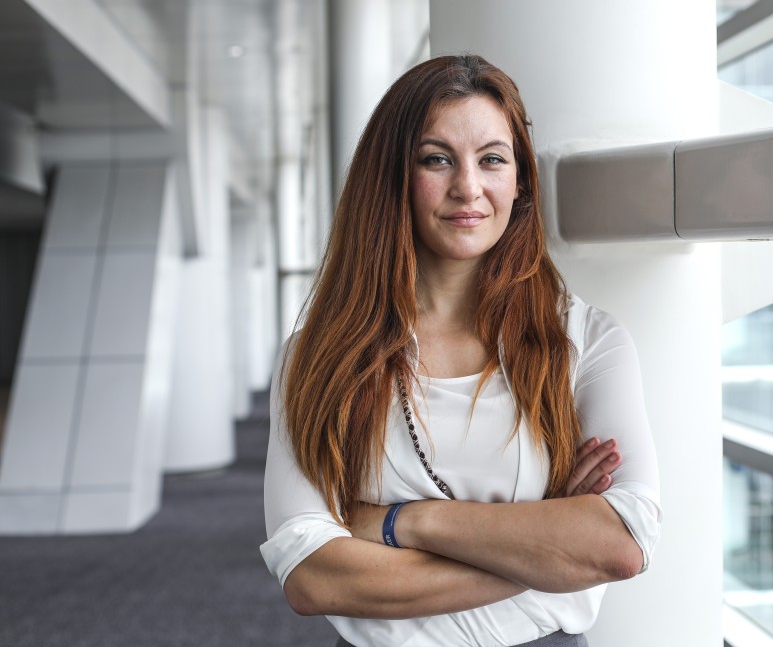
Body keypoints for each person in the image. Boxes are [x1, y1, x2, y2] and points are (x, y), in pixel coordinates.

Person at [260, 54, 661, 647]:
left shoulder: (588, 340)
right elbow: (315, 578)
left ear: (520, 180)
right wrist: (546, 546)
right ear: (393, 175)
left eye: (493, 159)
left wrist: (401, 522)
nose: (467, 188)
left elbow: (620, 545)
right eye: (436, 159)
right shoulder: (319, 356)